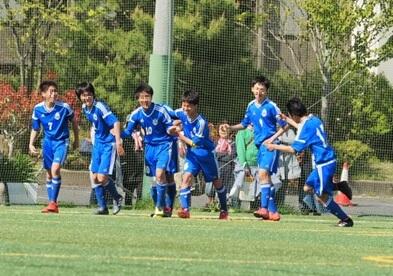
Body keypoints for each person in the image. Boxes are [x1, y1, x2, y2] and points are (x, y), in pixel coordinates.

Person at [266, 97, 354, 227]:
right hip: (324, 161)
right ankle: (339, 186)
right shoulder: (314, 119)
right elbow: (301, 127)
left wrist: (273, 146)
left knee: (321, 196)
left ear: (294, 115)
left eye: (290, 115)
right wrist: (287, 119)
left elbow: (292, 149)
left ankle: (346, 220)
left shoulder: (305, 128)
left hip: (324, 163)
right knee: (307, 187)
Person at [220, 75, 288, 221]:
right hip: (260, 148)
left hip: (270, 147)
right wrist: (231, 127)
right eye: (256, 88)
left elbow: (285, 126)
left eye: (262, 89)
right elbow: (245, 124)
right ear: (252, 89)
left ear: (266, 91)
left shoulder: (271, 107)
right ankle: (273, 212)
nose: (259, 92)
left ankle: (263, 208)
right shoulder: (251, 106)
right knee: (265, 178)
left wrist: (272, 139)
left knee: (263, 174)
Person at [171, 89, 229, 220]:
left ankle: (224, 210)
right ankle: (185, 210)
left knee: (216, 182)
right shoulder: (181, 112)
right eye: (184, 105)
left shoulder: (201, 122)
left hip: (205, 154)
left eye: (188, 106)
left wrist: (179, 134)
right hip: (192, 156)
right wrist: (173, 124)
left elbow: (194, 143)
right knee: (186, 178)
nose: (185, 108)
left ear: (196, 106)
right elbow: (170, 115)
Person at [121, 83, 177, 218]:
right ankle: (163, 207)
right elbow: (127, 132)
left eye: (147, 97)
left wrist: (174, 130)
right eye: (141, 97)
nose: (145, 100)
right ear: (137, 99)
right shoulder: (136, 114)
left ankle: (161, 208)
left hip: (165, 145)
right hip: (149, 149)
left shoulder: (161, 111)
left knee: (160, 175)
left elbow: (170, 126)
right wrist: (115, 134)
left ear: (151, 97)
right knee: (156, 180)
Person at [29, 80, 79, 213]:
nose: (54, 93)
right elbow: (35, 128)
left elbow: (74, 121)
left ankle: (53, 203)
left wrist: (76, 140)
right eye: (51, 91)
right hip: (47, 143)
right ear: (43, 94)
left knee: (55, 169)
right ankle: (52, 204)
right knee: (49, 174)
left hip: (61, 142)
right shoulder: (38, 109)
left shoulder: (64, 107)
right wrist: (31, 143)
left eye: (55, 91)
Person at [75, 82, 124, 215]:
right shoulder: (85, 108)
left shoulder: (100, 106)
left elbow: (115, 122)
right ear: (80, 97)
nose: (87, 98)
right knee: (94, 177)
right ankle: (103, 208)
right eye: (84, 95)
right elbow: (97, 124)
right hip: (98, 145)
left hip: (108, 144)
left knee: (102, 178)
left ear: (93, 95)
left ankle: (118, 197)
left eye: (89, 94)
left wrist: (118, 142)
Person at [228, 124, 258, 209]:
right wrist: (244, 164)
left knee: (252, 188)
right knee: (239, 184)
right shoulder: (242, 133)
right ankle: (231, 202)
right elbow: (240, 149)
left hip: (257, 165)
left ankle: (250, 207)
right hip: (243, 165)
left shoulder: (260, 132)